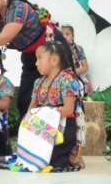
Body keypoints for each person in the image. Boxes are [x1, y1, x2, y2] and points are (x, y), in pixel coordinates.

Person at [29, 41, 84, 169]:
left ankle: (71, 156)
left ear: (54, 60)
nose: (36, 63)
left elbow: (69, 110)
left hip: (62, 128)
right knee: (33, 159)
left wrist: (45, 113)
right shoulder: (38, 82)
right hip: (42, 126)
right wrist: (28, 121)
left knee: (53, 162)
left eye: (39, 58)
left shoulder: (67, 79)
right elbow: (32, 106)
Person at [61, 25, 92, 95]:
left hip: (77, 76)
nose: (65, 36)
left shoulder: (78, 49)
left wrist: (74, 72)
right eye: (62, 35)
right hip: (62, 78)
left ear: (73, 36)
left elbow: (85, 67)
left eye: (67, 34)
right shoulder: (57, 49)